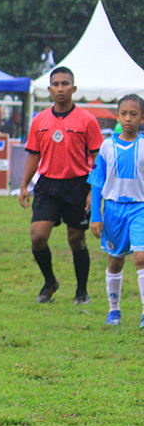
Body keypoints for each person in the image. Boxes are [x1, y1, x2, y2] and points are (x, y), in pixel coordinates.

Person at [19, 67, 103, 304]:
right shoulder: (40, 120)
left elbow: (98, 159)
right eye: (56, 84)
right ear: (49, 90)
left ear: (73, 89)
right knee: (37, 236)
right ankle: (50, 282)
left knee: (76, 239)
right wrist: (24, 185)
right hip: (47, 186)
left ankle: (81, 292)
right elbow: (34, 156)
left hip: (78, 185)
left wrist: (93, 191)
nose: (60, 88)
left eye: (65, 84)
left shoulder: (87, 120)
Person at [88, 93, 144, 327]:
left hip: (139, 208)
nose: (128, 119)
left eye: (134, 114)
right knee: (115, 262)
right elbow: (98, 182)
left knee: (141, 258)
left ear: (142, 117)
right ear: (117, 116)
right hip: (112, 210)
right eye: (124, 114)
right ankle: (114, 310)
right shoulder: (107, 145)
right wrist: (96, 215)